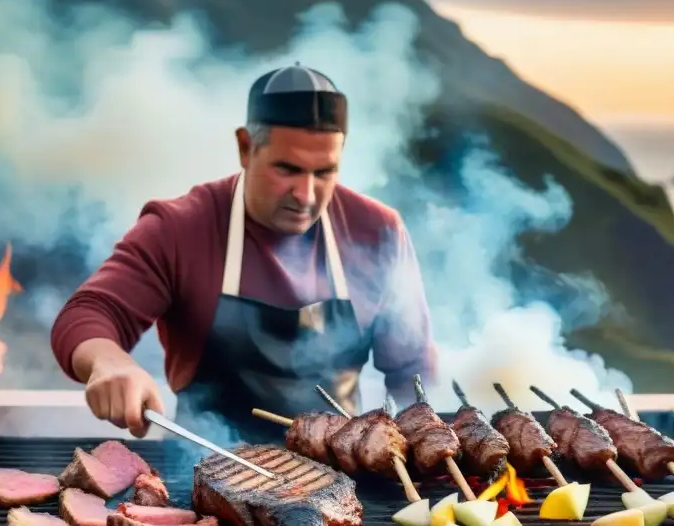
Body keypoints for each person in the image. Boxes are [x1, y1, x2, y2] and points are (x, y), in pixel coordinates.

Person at [50, 64, 437, 443]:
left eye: (324, 173)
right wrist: (110, 361)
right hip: (204, 469)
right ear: (245, 147)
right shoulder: (180, 227)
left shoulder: (378, 232)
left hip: (345, 483)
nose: (305, 196)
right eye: (287, 169)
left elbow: (412, 371)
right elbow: (88, 313)